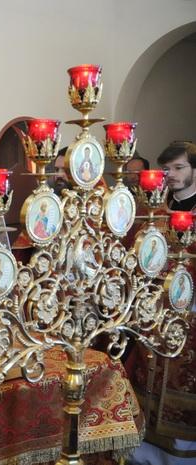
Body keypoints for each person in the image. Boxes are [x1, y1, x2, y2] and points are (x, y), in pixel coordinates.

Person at [126, 141, 196, 464]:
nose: (171, 175)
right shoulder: (156, 210)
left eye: (179, 168)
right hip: (152, 315)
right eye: (166, 169)